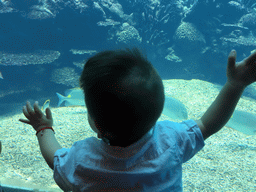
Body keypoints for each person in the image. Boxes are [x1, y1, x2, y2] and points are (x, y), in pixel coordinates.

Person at [19, 48, 256, 191]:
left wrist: (43, 128)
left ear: (97, 125)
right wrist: (235, 85)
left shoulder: (82, 160)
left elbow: (55, 158)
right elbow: (207, 124)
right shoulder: (171, 141)